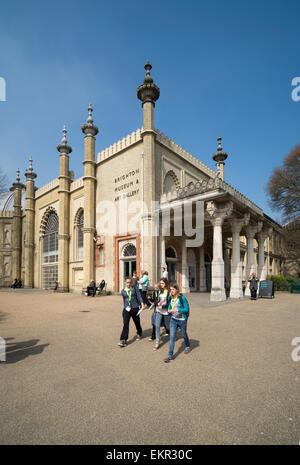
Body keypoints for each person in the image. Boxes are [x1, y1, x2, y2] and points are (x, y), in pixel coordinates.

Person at [163, 283, 190, 363]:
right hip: (173, 320)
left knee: (183, 334)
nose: (171, 291)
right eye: (170, 290)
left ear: (177, 290)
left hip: (182, 320)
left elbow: (186, 309)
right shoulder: (170, 297)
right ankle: (170, 355)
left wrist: (177, 310)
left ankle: (187, 345)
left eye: (173, 289)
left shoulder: (182, 298)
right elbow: (168, 306)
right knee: (172, 337)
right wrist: (168, 309)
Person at [119, 277, 144, 347]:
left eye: (129, 282)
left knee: (137, 322)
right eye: (127, 282)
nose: (128, 284)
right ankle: (123, 339)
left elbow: (139, 296)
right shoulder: (123, 291)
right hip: (127, 309)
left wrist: (142, 304)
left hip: (135, 308)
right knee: (125, 324)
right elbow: (124, 301)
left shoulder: (134, 288)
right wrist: (126, 307)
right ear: (125, 283)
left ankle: (139, 332)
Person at [153, 278, 171, 351]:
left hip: (166, 312)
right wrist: (157, 303)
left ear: (166, 283)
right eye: (160, 283)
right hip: (159, 311)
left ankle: (173, 333)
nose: (161, 285)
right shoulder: (159, 291)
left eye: (162, 283)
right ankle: (157, 341)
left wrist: (162, 306)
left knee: (168, 326)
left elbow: (169, 303)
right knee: (157, 325)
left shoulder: (169, 292)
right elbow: (155, 300)